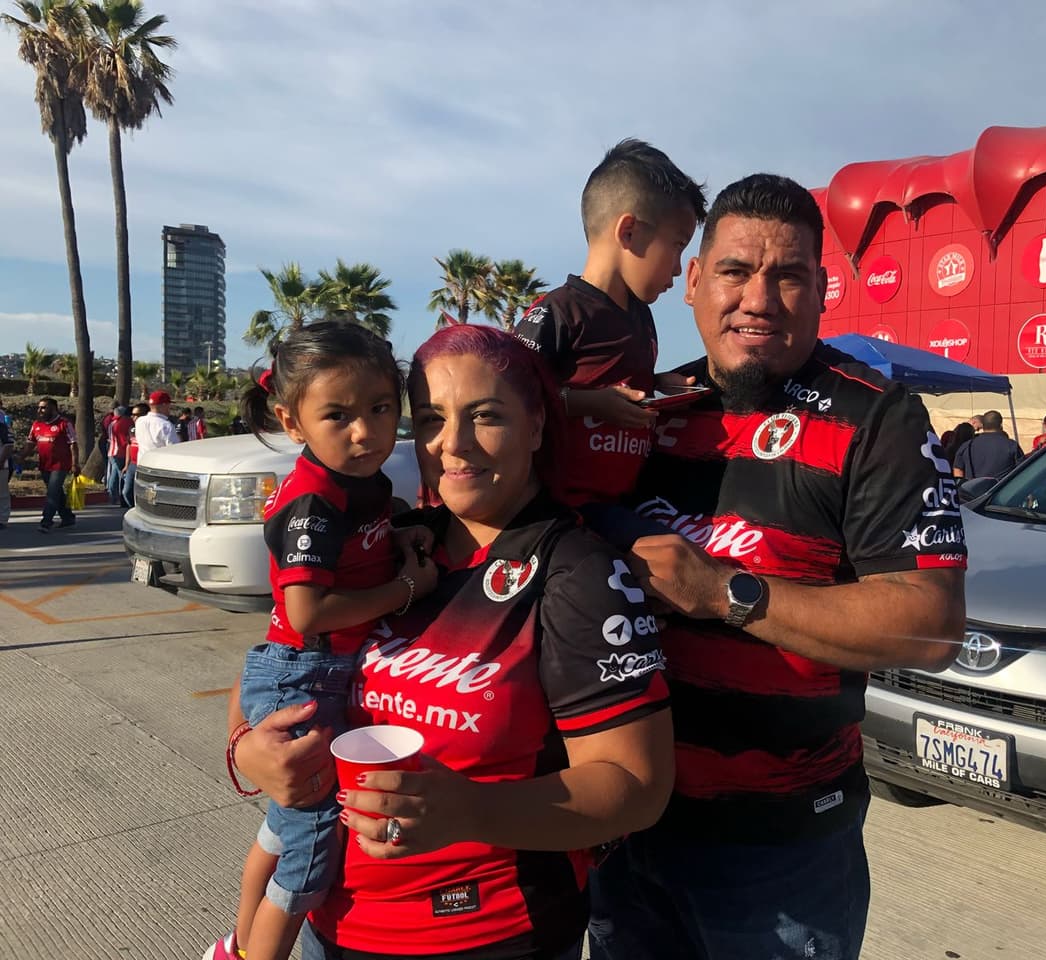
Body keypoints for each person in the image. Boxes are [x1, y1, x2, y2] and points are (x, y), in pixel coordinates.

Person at [590, 174, 966, 960]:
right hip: (623, 831)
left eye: (788, 275)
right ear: (693, 282)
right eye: (734, 270)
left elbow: (930, 625)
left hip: (782, 855)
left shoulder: (878, 416)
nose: (758, 298)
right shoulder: (641, 411)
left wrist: (724, 591)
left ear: (823, 291)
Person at [227, 325, 674, 960]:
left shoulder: (577, 572)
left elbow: (638, 789)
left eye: (486, 416)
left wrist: (470, 810)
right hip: (331, 923)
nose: (453, 445)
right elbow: (278, 661)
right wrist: (249, 751)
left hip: (486, 933)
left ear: (537, 427)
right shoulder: (396, 542)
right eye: (432, 418)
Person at [206, 323, 437, 960]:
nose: (364, 431)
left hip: (308, 669)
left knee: (281, 830)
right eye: (338, 414)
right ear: (293, 420)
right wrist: (405, 592)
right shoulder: (314, 500)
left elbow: (374, 537)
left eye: (380, 408)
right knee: (310, 845)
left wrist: (405, 536)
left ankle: (236, 946)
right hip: (303, 674)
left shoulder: (363, 485)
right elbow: (307, 611)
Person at [513, 137, 706, 505]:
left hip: (629, 500)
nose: (680, 269)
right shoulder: (558, 313)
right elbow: (511, 400)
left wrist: (658, 383)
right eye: (678, 245)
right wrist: (587, 403)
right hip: (560, 509)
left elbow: (613, 381)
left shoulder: (641, 318)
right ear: (629, 232)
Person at [22, 397, 79, 533]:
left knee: (52, 493)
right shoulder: (36, 425)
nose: (40, 410)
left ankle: (46, 522)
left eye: (43, 407)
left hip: (60, 465)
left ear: (53, 409)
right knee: (57, 492)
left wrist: (75, 464)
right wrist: (20, 457)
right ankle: (68, 517)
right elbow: (30, 444)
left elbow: (73, 445)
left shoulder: (64, 424)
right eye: (39, 407)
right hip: (44, 465)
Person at [952, 409, 1023, 480]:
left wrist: (962, 486)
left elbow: (958, 469)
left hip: (972, 489)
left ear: (983, 425)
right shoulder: (1011, 445)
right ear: (1001, 425)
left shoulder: (967, 445)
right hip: (1003, 489)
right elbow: (1022, 471)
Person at [135, 390, 179, 456]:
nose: (170, 407)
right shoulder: (166, 425)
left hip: (142, 462)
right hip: (159, 464)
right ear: (164, 405)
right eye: (169, 404)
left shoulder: (139, 421)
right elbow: (174, 449)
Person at [105, 405, 131, 506]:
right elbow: (126, 438)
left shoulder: (112, 423)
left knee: (114, 474)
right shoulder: (126, 422)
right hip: (121, 452)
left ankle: (112, 496)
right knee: (122, 475)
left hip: (112, 452)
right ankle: (122, 497)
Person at [121, 403, 146, 509]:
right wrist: (126, 465)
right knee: (126, 492)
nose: (133, 417)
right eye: (132, 414)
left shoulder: (148, 429)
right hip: (132, 464)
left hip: (143, 464)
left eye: (136, 415)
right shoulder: (132, 429)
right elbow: (129, 446)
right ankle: (133, 509)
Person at [0, 411, 12, 529]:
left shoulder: (2, 422)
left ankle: (2, 520)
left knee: (1, 493)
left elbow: (8, 444)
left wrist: (1, 461)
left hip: (1, 464)